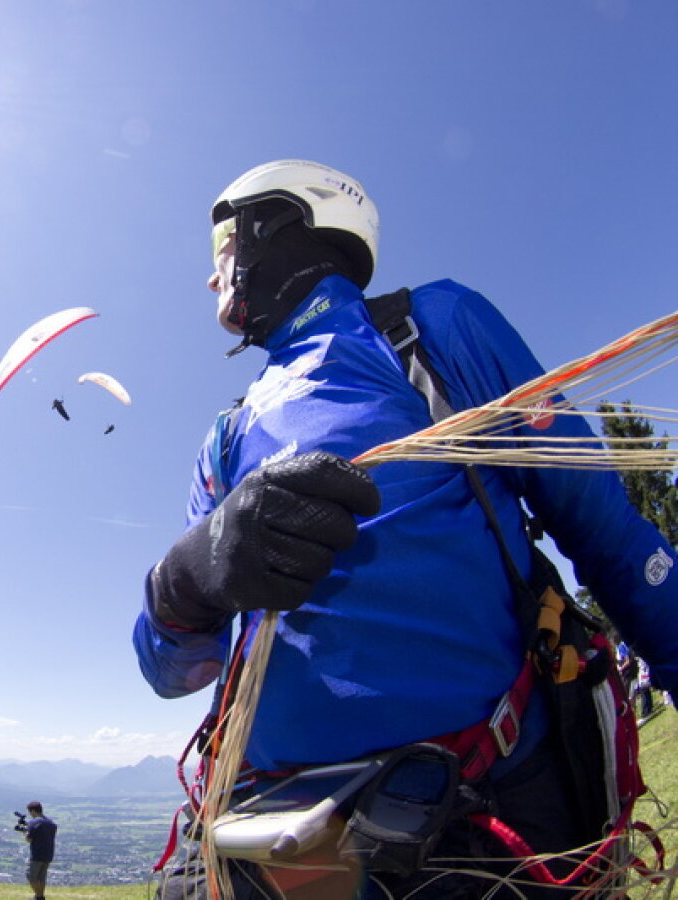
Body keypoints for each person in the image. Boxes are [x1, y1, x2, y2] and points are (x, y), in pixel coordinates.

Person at [134, 159, 678, 898]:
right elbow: (178, 673)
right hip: (270, 842)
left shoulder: (433, 333)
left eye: (221, 245)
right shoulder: (226, 440)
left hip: (471, 833)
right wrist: (188, 579)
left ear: (282, 221)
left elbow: (608, 535)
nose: (210, 277)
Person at [23, 801, 57, 900]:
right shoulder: (51, 823)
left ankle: (39, 896)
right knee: (41, 877)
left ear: (33, 811)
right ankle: (39, 897)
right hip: (48, 853)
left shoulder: (33, 822)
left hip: (37, 854)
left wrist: (25, 833)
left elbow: (29, 839)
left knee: (31, 876)